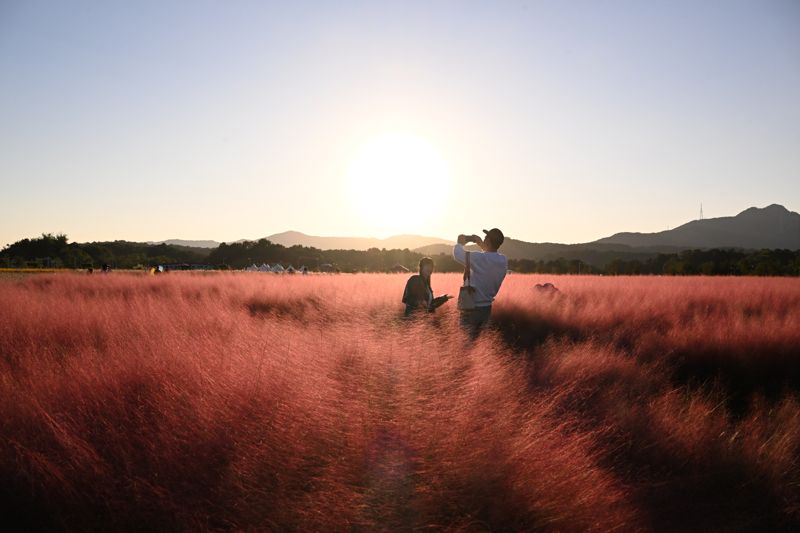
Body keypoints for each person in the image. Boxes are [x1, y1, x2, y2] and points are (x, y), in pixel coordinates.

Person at [453, 228, 508, 330]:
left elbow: (458, 254)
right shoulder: (503, 260)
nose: (484, 238)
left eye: (486, 237)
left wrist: (460, 242)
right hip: (487, 308)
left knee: (466, 342)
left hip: (471, 307)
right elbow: (490, 255)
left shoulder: (479, 258)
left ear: (488, 241)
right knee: (479, 342)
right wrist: (481, 244)